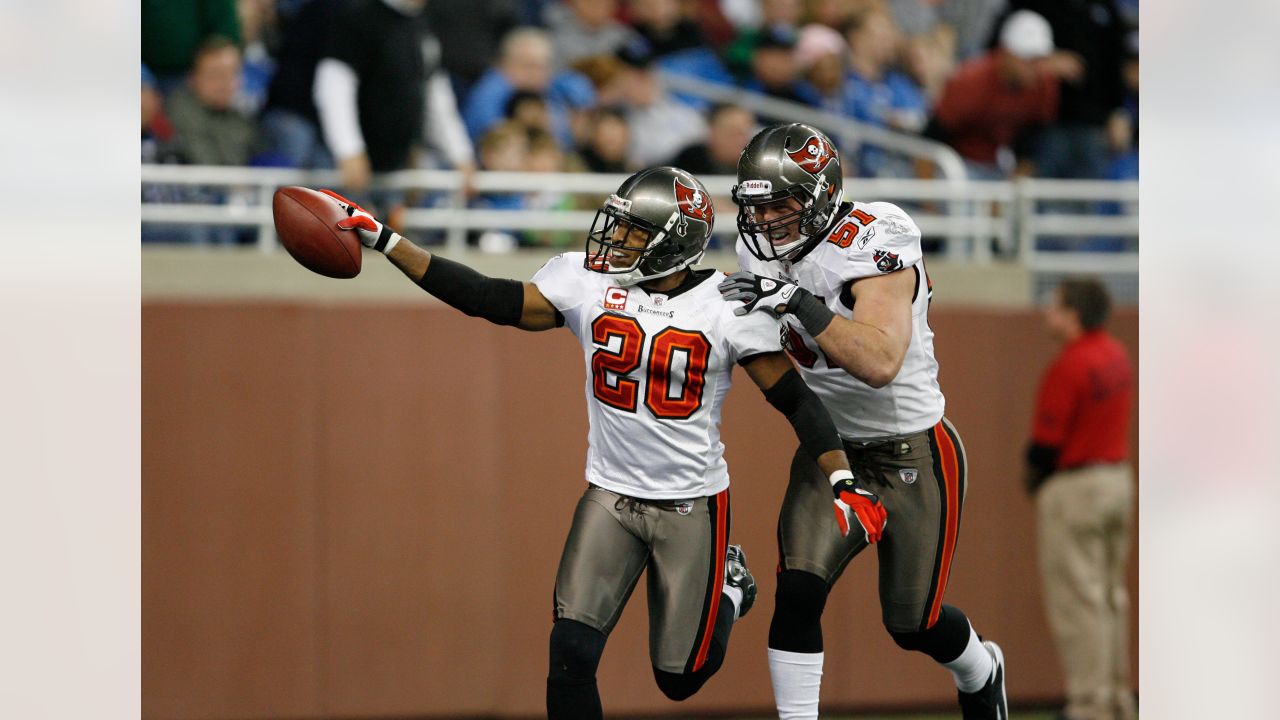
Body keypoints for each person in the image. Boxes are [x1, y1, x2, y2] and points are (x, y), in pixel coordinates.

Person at [316, 166, 886, 719]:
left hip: (691, 505)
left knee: (679, 679)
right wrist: (386, 240)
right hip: (609, 497)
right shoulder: (585, 282)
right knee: (570, 654)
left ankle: (730, 592)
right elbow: (486, 297)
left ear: (676, 243)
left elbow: (796, 401)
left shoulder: (728, 306)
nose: (614, 240)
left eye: (635, 231)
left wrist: (842, 480)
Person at [719, 123, 1007, 719]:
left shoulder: (876, 238)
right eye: (758, 205)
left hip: (912, 452)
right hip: (833, 448)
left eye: (781, 202)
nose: (767, 219)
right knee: (798, 589)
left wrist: (798, 302)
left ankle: (981, 670)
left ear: (822, 195)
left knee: (913, 622)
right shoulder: (760, 248)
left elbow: (879, 362)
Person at [1025, 278, 1134, 720]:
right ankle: (1117, 697)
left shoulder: (1070, 365)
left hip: (1077, 488)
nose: (1049, 314)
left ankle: (1090, 705)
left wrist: (1035, 479)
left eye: (1055, 307)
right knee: (1110, 595)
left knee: (1078, 602)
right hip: (1118, 480)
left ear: (1074, 316)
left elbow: (1045, 444)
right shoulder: (1117, 355)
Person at [312, 0, 475, 196]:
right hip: (346, 164)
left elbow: (435, 95)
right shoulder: (361, 16)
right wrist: (348, 150)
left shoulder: (423, 21)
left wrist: (460, 155)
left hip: (396, 164)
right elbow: (334, 84)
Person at [931, 9, 1061, 179]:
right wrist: (929, 202)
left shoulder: (1044, 84)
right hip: (958, 161)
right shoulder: (971, 81)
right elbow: (933, 139)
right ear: (1006, 53)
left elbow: (1032, 138)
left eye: (1039, 59)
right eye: (1027, 59)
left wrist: (1018, 182)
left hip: (1000, 164)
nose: (1034, 68)